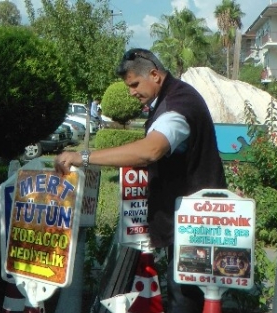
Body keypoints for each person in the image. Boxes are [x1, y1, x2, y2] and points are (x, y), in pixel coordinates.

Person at [54, 48, 226, 313]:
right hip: (188, 221)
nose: (131, 92)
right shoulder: (172, 97)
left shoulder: (176, 105)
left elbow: (150, 150)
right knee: (182, 293)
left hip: (195, 227)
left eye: (134, 84)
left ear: (155, 75)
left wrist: (83, 156)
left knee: (185, 299)